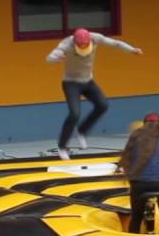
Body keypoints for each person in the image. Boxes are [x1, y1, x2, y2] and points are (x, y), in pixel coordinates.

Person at [46, 28, 143, 160]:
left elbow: (116, 44)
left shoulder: (95, 37)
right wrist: (55, 58)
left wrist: (132, 49)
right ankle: (62, 147)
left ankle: (82, 131)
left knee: (103, 105)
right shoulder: (66, 44)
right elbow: (49, 57)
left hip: (88, 81)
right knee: (74, 113)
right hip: (71, 83)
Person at [117, 112, 159, 234]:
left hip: (138, 182)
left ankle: (134, 232)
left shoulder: (135, 136)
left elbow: (127, 157)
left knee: (136, 215)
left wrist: (122, 169)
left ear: (144, 125)